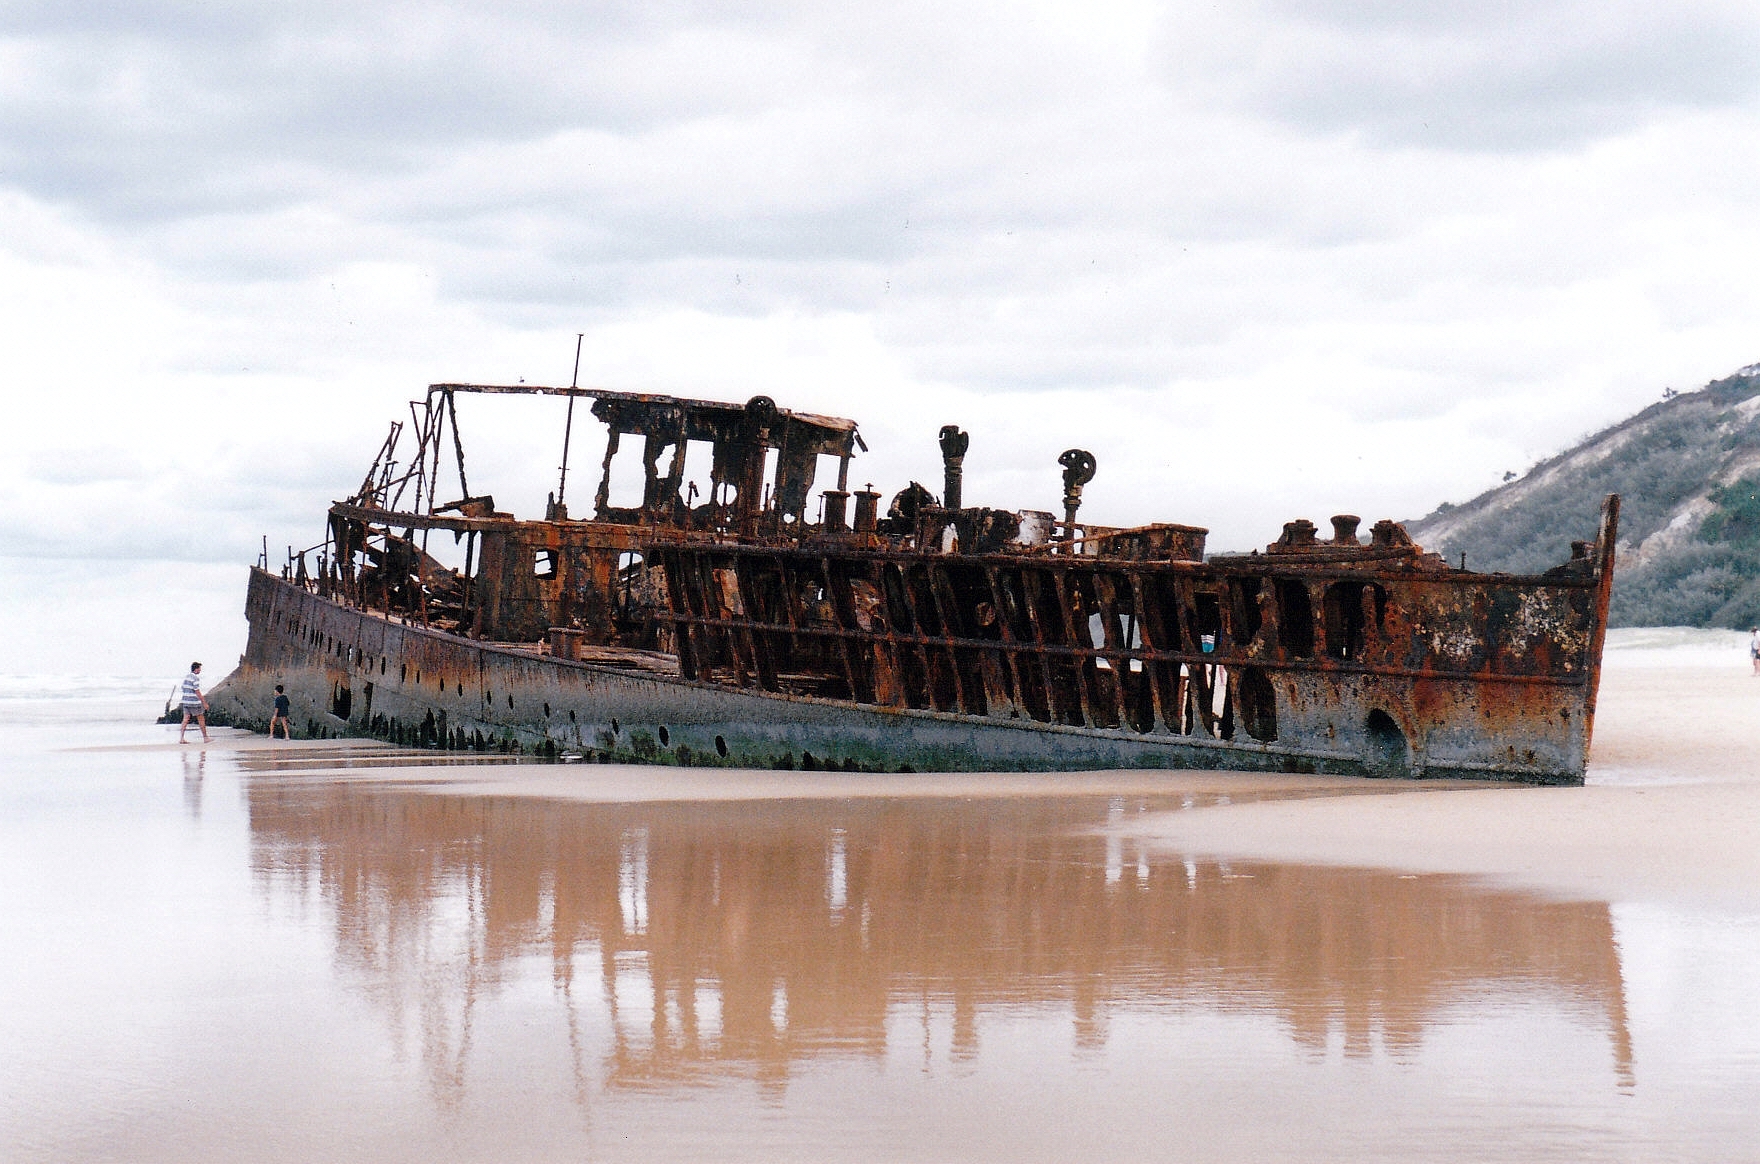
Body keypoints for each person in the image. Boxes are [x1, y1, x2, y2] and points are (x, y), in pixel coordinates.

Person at [179, 662, 210, 743]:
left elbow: (183, 688)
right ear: (196, 669)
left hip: (185, 701)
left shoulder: (187, 677)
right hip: (194, 702)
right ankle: (205, 738)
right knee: (201, 718)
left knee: (185, 719)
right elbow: (197, 691)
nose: (200, 670)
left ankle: (181, 738)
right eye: (199, 668)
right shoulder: (195, 678)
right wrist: (204, 703)